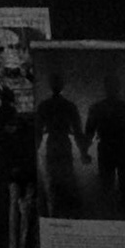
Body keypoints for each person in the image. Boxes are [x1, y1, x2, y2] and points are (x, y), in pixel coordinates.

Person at [83, 73, 125, 213]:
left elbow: (89, 132)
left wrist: (84, 152)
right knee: (123, 188)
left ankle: (111, 214)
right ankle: (123, 215)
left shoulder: (98, 108)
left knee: (109, 187)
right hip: (120, 147)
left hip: (108, 148)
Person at [33, 73, 84, 213]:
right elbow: (77, 131)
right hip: (64, 144)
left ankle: (55, 213)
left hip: (52, 144)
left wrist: (35, 149)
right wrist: (83, 152)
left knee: (52, 182)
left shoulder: (45, 106)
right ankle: (66, 213)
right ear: (62, 86)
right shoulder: (69, 106)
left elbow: (38, 131)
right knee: (67, 180)